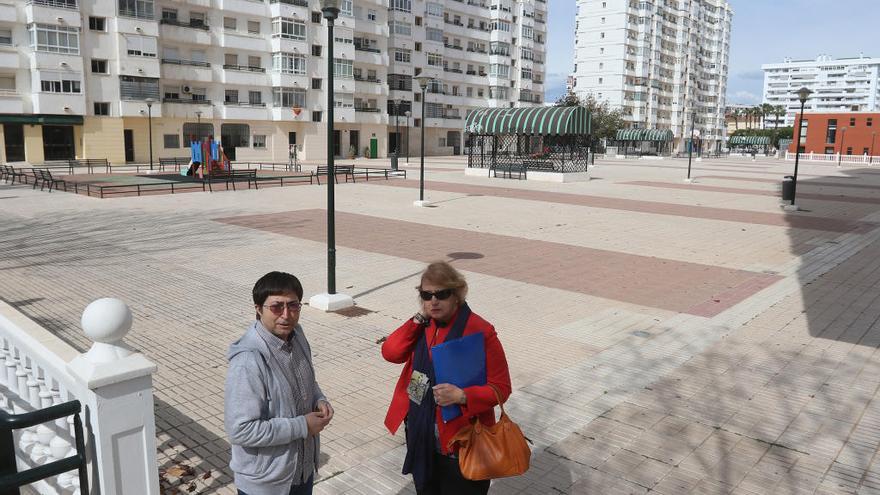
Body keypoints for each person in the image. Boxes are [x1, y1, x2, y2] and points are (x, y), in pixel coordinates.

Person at [382, 261, 512, 494]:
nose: (433, 301)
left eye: (441, 294)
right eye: (426, 294)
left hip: (461, 444)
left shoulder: (480, 330)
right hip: (421, 436)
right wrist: (418, 319)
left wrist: (464, 396)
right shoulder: (423, 324)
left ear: (457, 294)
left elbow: (501, 387)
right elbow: (391, 352)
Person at [225, 271, 333, 495]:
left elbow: (308, 381)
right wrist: (302, 426)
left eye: (293, 306)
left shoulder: (297, 335)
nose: (286, 315)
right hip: (266, 484)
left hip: (302, 472)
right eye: (276, 307)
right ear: (258, 309)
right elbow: (240, 430)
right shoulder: (248, 361)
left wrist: (319, 399)